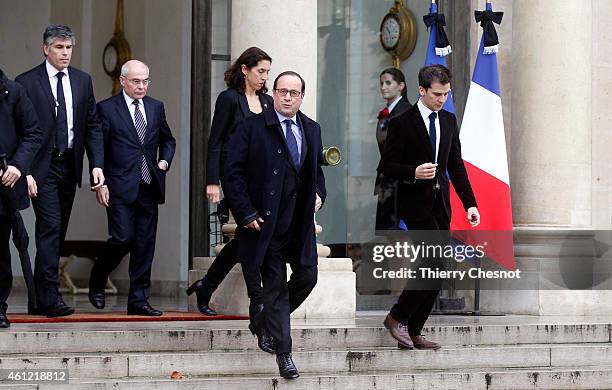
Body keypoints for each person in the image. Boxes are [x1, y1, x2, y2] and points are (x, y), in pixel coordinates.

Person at [223, 71, 326, 379]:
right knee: (277, 289)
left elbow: (316, 172)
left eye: (294, 93)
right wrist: (245, 212)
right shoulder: (251, 128)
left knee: (308, 277)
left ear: (302, 96)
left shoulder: (312, 129)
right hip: (265, 226)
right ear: (274, 93)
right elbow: (232, 173)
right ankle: (284, 353)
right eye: (282, 91)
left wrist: (320, 194)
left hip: (299, 226)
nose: (287, 97)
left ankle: (262, 320)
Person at [378, 64, 480, 350]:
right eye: (437, 94)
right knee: (433, 261)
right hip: (414, 205)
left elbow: (456, 166)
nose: (442, 99)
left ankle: (414, 330)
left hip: (440, 205)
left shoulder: (448, 120)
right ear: (422, 90)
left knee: (440, 266)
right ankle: (396, 317)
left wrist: (470, 203)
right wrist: (413, 172)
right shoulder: (401, 121)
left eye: (446, 94)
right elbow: (386, 166)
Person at [186, 47, 273, 347]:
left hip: (261, 182)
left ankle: (205, 286)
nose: (265, 77)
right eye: (261, 71)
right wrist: (213, 181)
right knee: (249, 236)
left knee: (241, 243)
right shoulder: (228, 99)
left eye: (267, 72)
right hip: (235, 181)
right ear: (245, 69)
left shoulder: (268, 101)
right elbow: (215, 141)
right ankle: (257, 303)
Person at [15, 24, 105, 317]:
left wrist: (97, 165)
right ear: (46, 49)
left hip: (69, 164)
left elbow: (92, 125)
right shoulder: (26, 82)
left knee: (55, 231)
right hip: (41, 167)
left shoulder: (82, 81)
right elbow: (19, 131)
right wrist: (23, 169)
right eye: (59, 48)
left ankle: (39, 299)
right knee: (50, 227)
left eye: (69, 48)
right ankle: (50, 298)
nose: (65, 53)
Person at [87, 60, 176, 316]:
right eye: (136, 81)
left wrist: (164, 161)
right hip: (119, 186)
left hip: (149, 184)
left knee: (145, 244)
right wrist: (99, 183)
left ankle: (139, 300)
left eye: (145, 81)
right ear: (123, 81)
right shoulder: (106, 109)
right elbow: (98, 148)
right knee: (123, 238)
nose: (141, 86)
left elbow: (168, 140)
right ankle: (99, 276)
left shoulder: (156, 107)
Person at [0, 69, 43, 328]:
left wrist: (18, 166)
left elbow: (33, 133)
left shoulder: (13, 92)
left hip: (4, 187)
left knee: (0, 252)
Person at [374, 67, 411, 231]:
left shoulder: (407, 112)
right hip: (387, 180)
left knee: (399, 236)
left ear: (401, 85)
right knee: (388, 234)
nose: (383, 87)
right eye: (382, 83)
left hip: (401, 183)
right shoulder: (387, 113)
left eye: (388, 82)